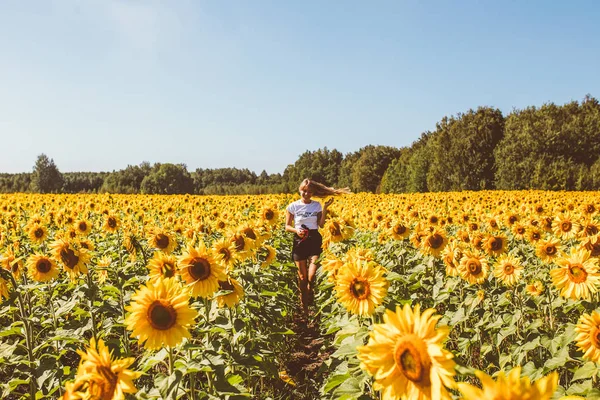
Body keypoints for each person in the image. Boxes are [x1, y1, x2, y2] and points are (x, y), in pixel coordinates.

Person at [285, 178, 350, 314]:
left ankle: (309, 295)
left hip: (314, 239)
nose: (306, 193)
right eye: (304, 191)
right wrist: (296, 230)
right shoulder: (293, 206)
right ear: (299, 190)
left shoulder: (316, 206)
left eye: (309, 191)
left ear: (313, 193)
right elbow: (287, 226)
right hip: (299, 241)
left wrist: (325, 208)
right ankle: (304, 308)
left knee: (312, 276)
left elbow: (320, 225)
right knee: (302, 278)